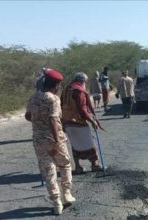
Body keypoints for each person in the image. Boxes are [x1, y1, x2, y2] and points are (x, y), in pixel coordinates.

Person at [25, 68, 75, 215]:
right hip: (53, 139)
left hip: (39, 141)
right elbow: (53, 120)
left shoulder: (33, 98)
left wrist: (38, 121)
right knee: (65, 164)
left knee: (48, 171)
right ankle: (66, 193)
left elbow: (28, 116)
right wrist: (57, 142)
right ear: (56, 85)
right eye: (59, 85)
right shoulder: (53, 99)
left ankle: (56, 202)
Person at [61, 72, 104, 174]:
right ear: (82, 81)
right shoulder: (79, 91)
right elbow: (82, 110)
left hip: (67, 122)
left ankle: (78, 167)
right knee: (90, 144)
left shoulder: (66, 89)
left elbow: (61, 104)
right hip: (78, 122)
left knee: (75, 144)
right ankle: (95, 165)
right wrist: (92, 121)